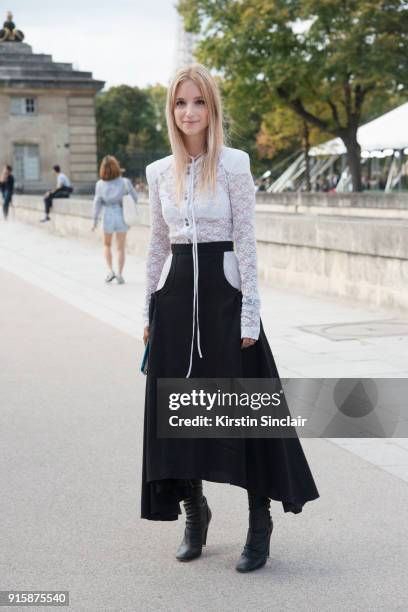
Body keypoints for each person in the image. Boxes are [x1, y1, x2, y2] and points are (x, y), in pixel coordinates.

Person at [141, 63, 319, 573]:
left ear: (212, 108)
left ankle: (258, 523)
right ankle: (194, 513)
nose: (189, 112)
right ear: (171, 111)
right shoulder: (158, 172)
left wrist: (250, 314)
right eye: (180, 103)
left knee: (244, 412)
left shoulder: (236, 165)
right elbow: (156, 245)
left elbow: (247, 243)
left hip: (226, 295)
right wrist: (148, 312)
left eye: (198, 102)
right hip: (174, 300)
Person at [91, 155, 138, 284]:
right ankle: (120, 274)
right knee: (120, 247)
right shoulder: (125, 182)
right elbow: (135, 198)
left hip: (107, 215)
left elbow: (97, 203)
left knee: (107, 244)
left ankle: (110, 271)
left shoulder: (100, 184)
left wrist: (94, 220)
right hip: (121, 214)